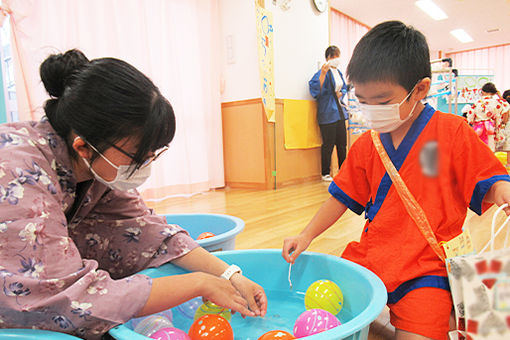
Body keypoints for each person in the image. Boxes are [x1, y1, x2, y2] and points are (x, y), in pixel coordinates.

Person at [0, 49, 266, 339]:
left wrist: (229, 275)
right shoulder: (18, 174)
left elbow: (146, 232)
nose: (146, 165)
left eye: (153, 153)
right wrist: (200, 284)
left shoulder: (96, 167)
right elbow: (63, 298)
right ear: (83, 147)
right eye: (138, 156)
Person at [283, 21, 510, 340]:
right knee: (334, 320)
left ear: (420, 89)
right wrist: (306, 235)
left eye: (383, 101)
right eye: (363, 100)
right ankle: (382, 322)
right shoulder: (367, 145)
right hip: (372, 255)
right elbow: (340, 196)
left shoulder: (452, 132)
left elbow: (489, 177)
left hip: (426, 268)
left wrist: (503, 190)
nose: (372, 111)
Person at [309, 45, 348, 182]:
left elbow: (344, 88)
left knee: (342, 143)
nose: (336, 59)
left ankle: (343, 171)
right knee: (328, 144)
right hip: (327, 113)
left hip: (339, 112)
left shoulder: (339, 73)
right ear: (327, 58)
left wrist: (341, 93)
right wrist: (323, 74)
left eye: (337, 55)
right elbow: (315, 90)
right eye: (333, 56)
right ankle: (325, 172)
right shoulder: (322, 72)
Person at [465, 82, 510, 151]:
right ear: (494, 92)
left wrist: (474, 121)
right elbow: (506, 106)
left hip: (478, 127)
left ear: (482, 91)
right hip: (491, 127)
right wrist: (499, 96)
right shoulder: (497, 102)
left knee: (478, 147)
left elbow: (470, 117)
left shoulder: (478, 103)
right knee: (490, 147)